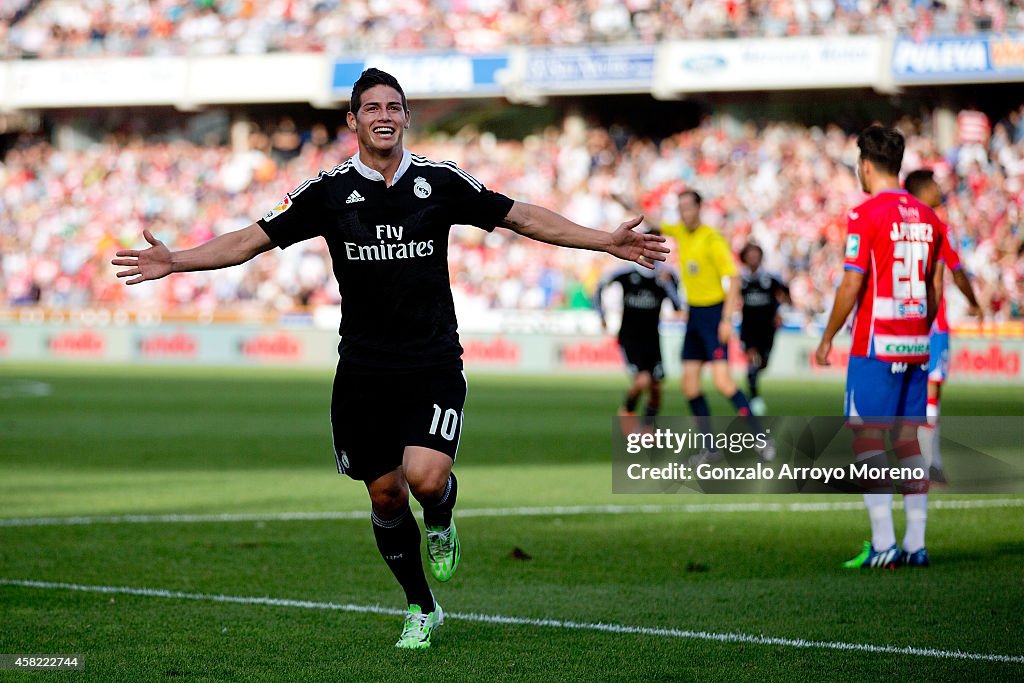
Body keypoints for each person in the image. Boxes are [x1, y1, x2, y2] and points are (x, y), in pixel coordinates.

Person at [111, 68, 668, 648]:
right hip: (363, 369)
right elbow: (250, 240)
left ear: (406, 117)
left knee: (427, 481)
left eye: (394, 107)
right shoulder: (325, 193)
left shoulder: (440, 181)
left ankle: (444, 516)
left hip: (431, 360)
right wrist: (178, 261)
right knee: (384, 494)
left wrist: (603, 239)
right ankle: (421, 605)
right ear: (353, 120)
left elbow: (521, 216)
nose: (384, 116)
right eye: (372, 107)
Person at [815, 126, 948, 569]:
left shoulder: (865, 214)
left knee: (868, 439)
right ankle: (915, 543)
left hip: (876, 343)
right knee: (909, 440)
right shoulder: (929, 218)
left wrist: (829, 335)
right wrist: (921, 330)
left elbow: (853, 282)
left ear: (865, 166)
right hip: (915, 343)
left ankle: (884, 541)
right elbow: (935, 286)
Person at [655, 191, 770, 461]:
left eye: (687, 207)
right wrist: (626, 203)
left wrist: (727, 319)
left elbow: (733, 279)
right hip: (694, 315)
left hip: (714, 314)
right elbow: (655, 222)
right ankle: (710, 447)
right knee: (689, 386)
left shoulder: (712, 238)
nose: (683, 212)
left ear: (699, 207)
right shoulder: (681, 232)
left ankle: (761, 438)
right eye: (680, 207)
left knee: (723, 382)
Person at [904, 169, 983, 483]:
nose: (940, 189)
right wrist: (974, 302)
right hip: (932, 321)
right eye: (934, 184)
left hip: (902, 319)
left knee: (911, 393)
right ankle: (926, 464)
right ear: (923, 191)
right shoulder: (935, 226)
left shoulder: (899, 226)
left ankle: (920, 461)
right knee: (932, 391)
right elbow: (956, 270)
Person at [594, 257, 683, 426]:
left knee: (656, 388)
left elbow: (678, 306)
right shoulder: (627, 273)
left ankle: (648, 427)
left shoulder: (667, 275)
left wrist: (667, 285)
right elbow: (599, 287)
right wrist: (601, 315)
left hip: (652, 339)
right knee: (642, 380)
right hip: (630, 337)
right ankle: (627, 411)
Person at [738, 243, 790, 416]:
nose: (753, 258)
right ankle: (754, 399)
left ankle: (752, 383)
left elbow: (786, 294)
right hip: (748, 329)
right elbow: (731, 298)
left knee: (763, 364)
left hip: (767, 329)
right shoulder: (739, 279)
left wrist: (780, 312)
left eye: (756, 255)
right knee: (752, 361)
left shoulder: (770, 278)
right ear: (744, 258)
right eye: (750, 255)